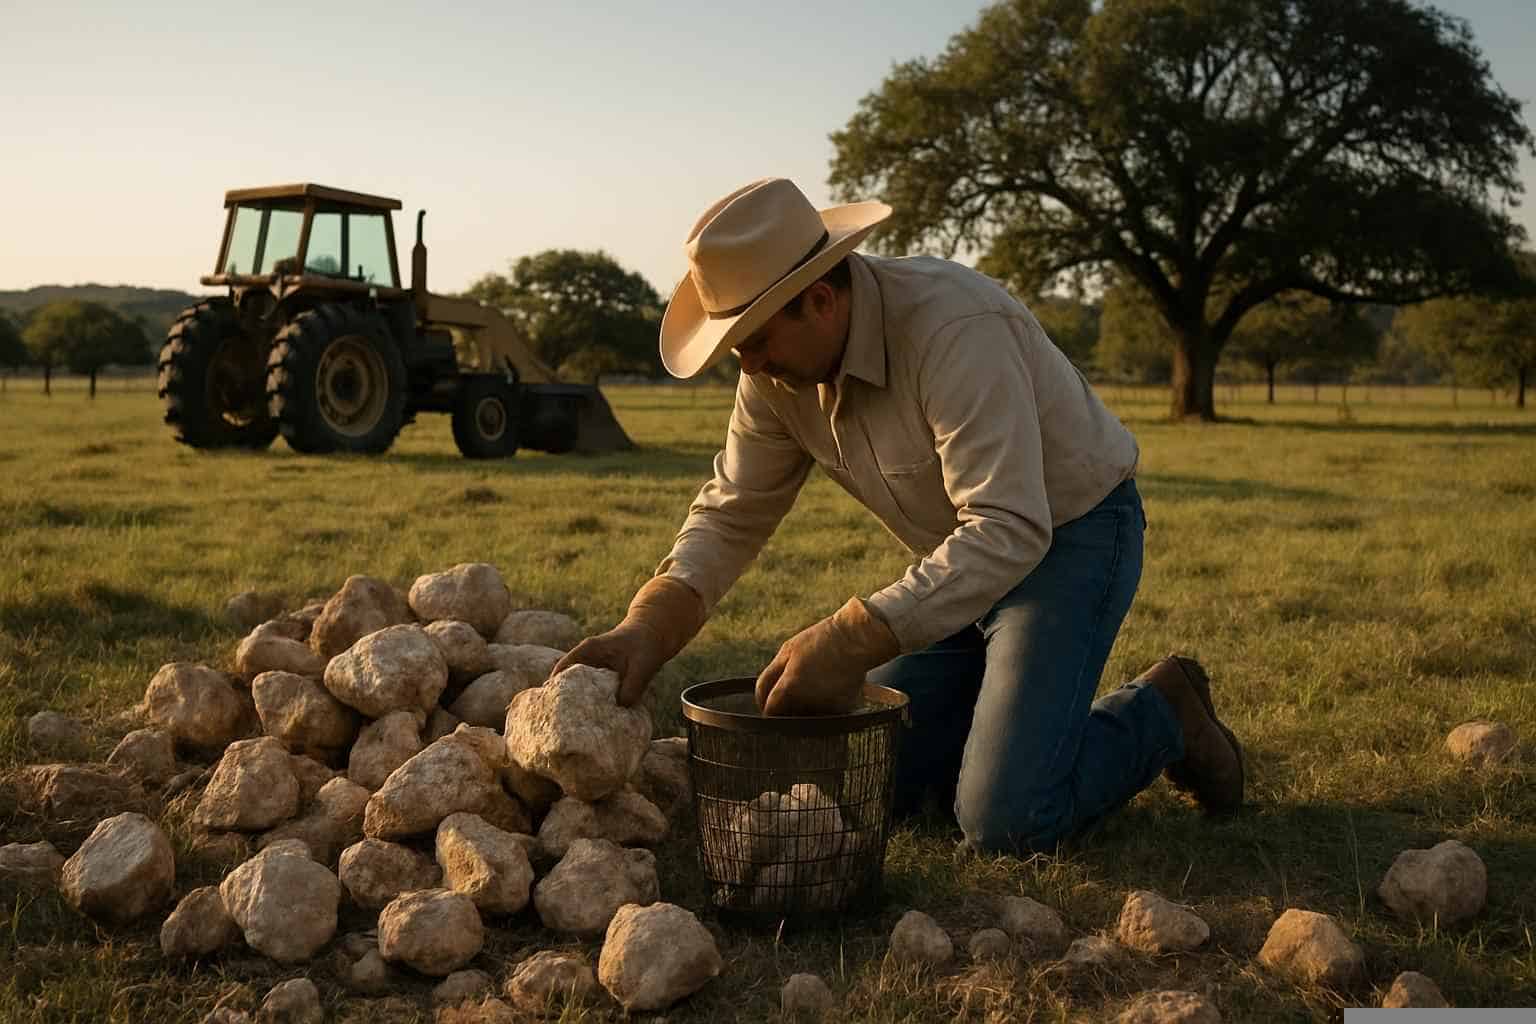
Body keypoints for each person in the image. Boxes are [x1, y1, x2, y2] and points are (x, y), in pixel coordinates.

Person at [553, 177, 1243, 854]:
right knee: (870, 779)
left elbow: (1010, 527)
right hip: (962, 559)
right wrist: (649, 624)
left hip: (1072, 537)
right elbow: (733, 511)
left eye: (756, 341)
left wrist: (849, 640)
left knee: (1005, 817)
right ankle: (999, 735)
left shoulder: (955, 330)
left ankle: (1162, 711)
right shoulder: (769, 375)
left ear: (819, 300)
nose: (749, 364)